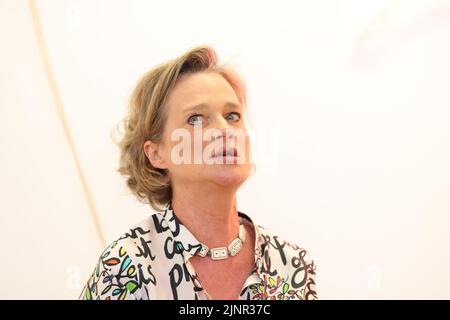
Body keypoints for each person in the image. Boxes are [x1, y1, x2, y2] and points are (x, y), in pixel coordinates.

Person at [79, 45, 318, 300]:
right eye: (195, 119)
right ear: (156, 153)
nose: (225, 130)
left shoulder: (292, 266)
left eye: (233, 115)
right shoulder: (125, 269)